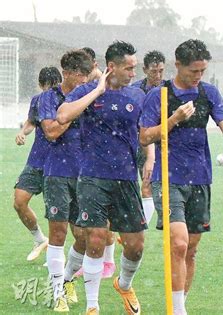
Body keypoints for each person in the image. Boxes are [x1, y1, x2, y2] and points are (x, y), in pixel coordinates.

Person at [140, 39, 223, 315]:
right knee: (178, 243)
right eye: (193, 71)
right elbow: (145, 136)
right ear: (177, 65)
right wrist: (175, 118)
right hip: (168, 178)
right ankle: (178, 312)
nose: (198, 76)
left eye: (202, 71)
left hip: (200, 178)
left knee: (190, 249)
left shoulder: (209, 93)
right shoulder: (159, 95)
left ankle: (180, 303)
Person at [57, 40, 147, 315]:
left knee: (135, 246)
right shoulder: (87, 91)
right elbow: (62, 116)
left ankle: (124, 283)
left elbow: (145, 134)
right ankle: (92, 306)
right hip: (93, 176)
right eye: (129, 68)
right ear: (112, 67)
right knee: (95, 238)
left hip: (126, 178)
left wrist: (151, 160)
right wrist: (96, 91)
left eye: (135, 68)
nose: (134, 73)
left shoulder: (137, 96)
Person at [38, 50, 93, 312]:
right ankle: (57, 292)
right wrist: (70, 112)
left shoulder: (89, 96)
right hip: (57, 172)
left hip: (85, 174)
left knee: (83, 236)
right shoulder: (48, 98)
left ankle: (68, 279)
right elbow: (51, 131)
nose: (83, 80)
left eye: (86, 74)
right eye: (79, 74)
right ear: (66, 72)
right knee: (58, 234)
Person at [13, 66, 61, 261]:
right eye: (47, 87)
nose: (50, 91)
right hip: (37, 160)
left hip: (59, 164)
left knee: (57, 214)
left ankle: (58, 257)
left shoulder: (67, 102)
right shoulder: (38, 101)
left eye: (54, 86)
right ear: (41, 86)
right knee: (19, 201)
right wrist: (22, 132)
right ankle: (40, 239)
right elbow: (31, 122)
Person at [78, 46, 117, 279]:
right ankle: (95, 261)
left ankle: (108, 261)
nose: (83, 75)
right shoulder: (85, 90)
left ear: (95, 65)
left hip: (109, 164)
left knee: (103, 221)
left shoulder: (107, 87)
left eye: (86, 69)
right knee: (90, 223)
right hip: (87, 162)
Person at [131, 50, 166, 225]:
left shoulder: (168, 90)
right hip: (137, 145)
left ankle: (141, 227)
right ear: (145, 70)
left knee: (148, 186)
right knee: (135, 188)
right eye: (154, 71)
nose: (158, 75)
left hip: (161, 147)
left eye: (161, 71)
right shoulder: (135, 90)